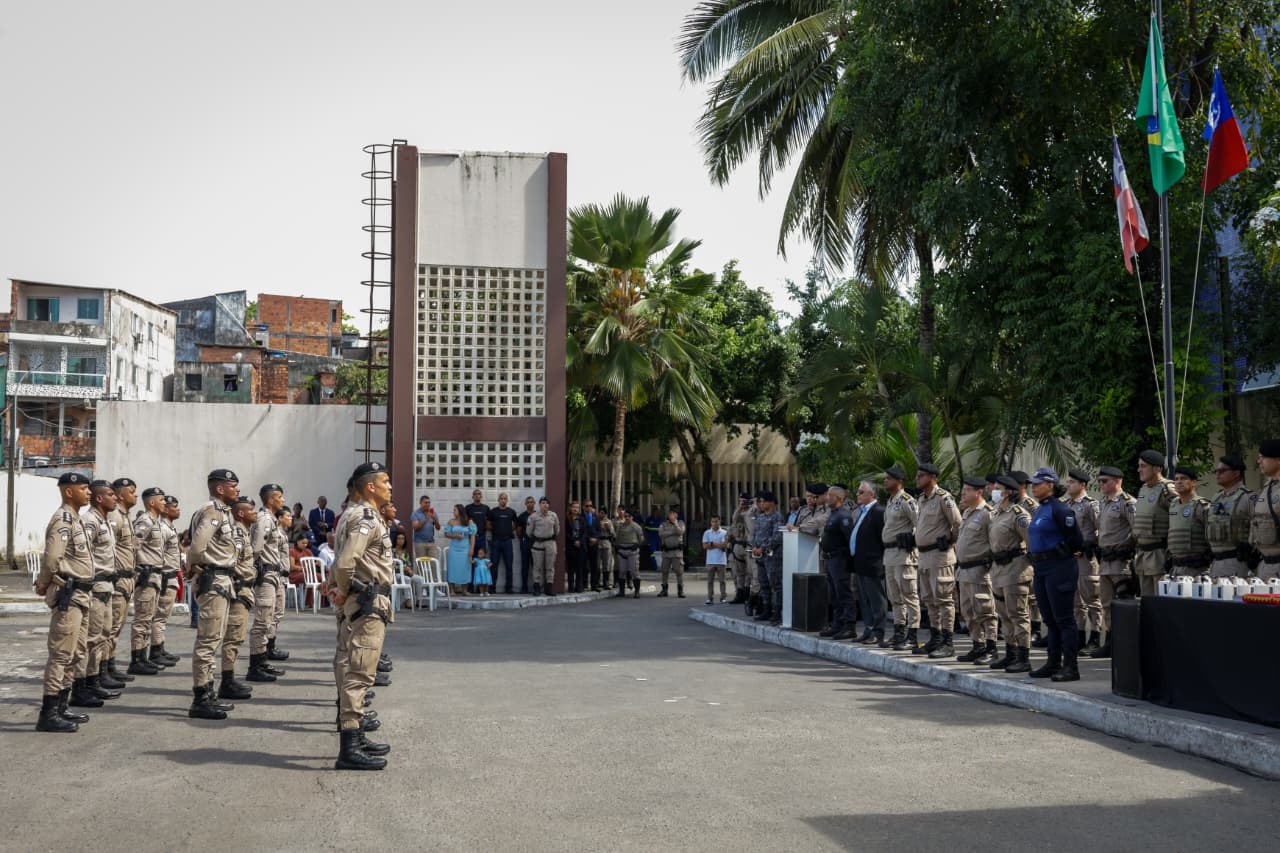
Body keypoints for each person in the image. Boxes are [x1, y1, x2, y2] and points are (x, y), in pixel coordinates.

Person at [329, 461, 395, 771]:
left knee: (348, 666)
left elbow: (339, 562)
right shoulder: (366, 518)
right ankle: (350, 747)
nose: (390, 487)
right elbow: (344, 563)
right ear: (370, 486)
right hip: (366, 602)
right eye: (385, 481)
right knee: (359, 673)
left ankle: (354, 736)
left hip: (357, 602)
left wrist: (339, 591)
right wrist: (344, 590)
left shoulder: (351, 516)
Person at [32, 472, 94, 733]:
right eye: (83, 488)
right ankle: (48, 713)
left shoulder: (77, 519)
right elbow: (52, 558)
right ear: (69, 492)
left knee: (74, 653)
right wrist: (44, 583)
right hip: (69, 595)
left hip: (81, 595)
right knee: (61, 654)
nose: (88, 492)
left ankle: (61, 706)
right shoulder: (63, 520)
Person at [186, 469, 242, 720]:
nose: (237, 490)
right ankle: (200, 697)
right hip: (214, 579)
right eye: (233, 486)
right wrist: (198, 566)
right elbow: (197, 547)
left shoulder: (222, 513)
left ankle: (209, 692)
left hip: (222, 579)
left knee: (214, 638)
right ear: (220, 488)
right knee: (208, 641)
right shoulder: (213, 512)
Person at [1026, 468, 1085, 682]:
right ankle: (1053, 663)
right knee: (1049, 619)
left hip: (1059, 568)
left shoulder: (1060, 510)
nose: (1033, 486)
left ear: (1050, 485)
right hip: (1041, 568)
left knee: (1064, 619)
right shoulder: (1040, 509)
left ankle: (1071, 667)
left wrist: (1062, 552)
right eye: (1032, 483)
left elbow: (1076, 540)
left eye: (1037, 483)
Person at [79, 481, 121, 704]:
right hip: (95, 587)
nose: (115, 498)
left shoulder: (104, 521)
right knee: (90, 639)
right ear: (99, 498)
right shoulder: (89, 521)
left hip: (107, 587)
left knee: (102, 635)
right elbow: (83, 554)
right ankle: (81, 684)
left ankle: (93, 680)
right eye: (110, 495)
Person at [914, 463, 961, 658]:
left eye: (921, 475)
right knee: (929, 600)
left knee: (943, 599)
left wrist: (951, 540)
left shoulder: (944, 498)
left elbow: (957, 522)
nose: (917, 478)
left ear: (932, 477)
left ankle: (948, 642)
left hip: (940, 556)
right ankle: (935, 637)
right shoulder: (922, 499)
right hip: (924, 556)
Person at [1089, 466, 1137, 659]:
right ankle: (1110, 641)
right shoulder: (1104, 503)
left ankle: (1126, 642)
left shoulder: (1128, 502)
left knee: (1123, 603)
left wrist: (1126, 546)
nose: (1101, 484)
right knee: (1107, 604)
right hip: (1105, 561)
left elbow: (1136, 529)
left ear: (1118, 481)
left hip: (1120, 561)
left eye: (1105, 481)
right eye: (1100, 481)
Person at [988, 474, 1033, 672]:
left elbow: (1032, 542)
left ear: (1008, 492)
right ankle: (1010, 653)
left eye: (997, 488)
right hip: (998, 570)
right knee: (1004, 615)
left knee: (1017, 614)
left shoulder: (1019, 514)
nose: (993, 491)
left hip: (1015, 569)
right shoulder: (996, 513)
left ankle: (1024, 657)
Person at [954, 476, 998, 665]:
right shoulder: (967, 513)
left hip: (980, 569)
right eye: (963, 490)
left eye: (967, 490)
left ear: (979, 492)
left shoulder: (988, 513)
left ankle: (991, 647)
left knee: (986, 610)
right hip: (964, 571)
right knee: (968, 610)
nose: (963, 493)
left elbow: (994, 542)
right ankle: (977, 645)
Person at [218, 497, 258, 701]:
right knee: (233, 636)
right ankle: (226, 681)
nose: (255, 513)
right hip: (239, 590)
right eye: (251, 510)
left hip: (244, 590)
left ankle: (229, 678)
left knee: (237, 636)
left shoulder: (244, 531)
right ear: (241, 513)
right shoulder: (238, 533)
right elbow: (231, 561)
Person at [248, 484, 289, 683]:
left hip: (272, 575)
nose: (283, 501)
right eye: (280, 497)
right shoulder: (265, 519)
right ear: (271, 500)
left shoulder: (271, 520)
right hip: (265, 575)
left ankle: (262, 661)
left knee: (269, 619)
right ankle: (255, 666)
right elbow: (256, 548)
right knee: (262, 621)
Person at [102, 478, 138, 690]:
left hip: (127, 578)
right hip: (116, 579)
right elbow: (109, 549)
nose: (135, 495)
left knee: (116, 627)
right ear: (121, 494)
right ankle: (102, 669)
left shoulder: (126, 515)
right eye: (132, 492)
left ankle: (110, 665)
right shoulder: (115, 516)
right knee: (110, 627)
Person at [880, 466, 921, 652]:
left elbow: (919, 523)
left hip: (904, 554)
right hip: (889, 554)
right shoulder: (890, 501)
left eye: (888, 478)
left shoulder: (907, 500)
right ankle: (899, 632)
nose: (885, 481)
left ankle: (912, 635)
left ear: (899, 481)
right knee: (894, 597)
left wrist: (913, 539)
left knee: (909, 595)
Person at [128, 487, 167, 677]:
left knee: (149, 617)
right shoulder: (145, 521)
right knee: (142, 619)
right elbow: (133, 546)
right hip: (147, 575)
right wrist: (136, 570)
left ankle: (143, 657)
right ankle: (136, 659)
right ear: (152, 502)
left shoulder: (155, 522)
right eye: (162, 500)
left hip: (155, 575)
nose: (165, 503)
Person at [1064, 470, 1103, 654]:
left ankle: (1094, 638)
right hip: (1070, 559)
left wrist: (1089, 545)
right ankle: (1080, 637)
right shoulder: (1066, 506)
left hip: (1086, 559)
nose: (1068, 485)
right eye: (1068, 482)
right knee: (1076, 601)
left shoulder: (1090, 505)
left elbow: (1100, 528)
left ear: (1082, 485)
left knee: (1092, 599)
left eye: (1072, 482)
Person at [1133, 450, 1177, 597]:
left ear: (1157, 468)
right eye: (1139, 466)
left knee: (1161, 602)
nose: (1139, 469)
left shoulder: (1167, 488)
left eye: (1143, 466)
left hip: (1160, 555)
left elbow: (1180, 518)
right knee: (1146, 604)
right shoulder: (1144, 489)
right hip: (1143, 555)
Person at [848, 481, 887, 644]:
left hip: (873, 563)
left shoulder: (878, 512)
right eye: (858, 492)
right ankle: (868, 629)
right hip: (860, 563)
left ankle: (878, 631)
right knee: (864, 599)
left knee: (876, 599)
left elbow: (882, 539)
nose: (858, 494)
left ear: (872, 494)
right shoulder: (861, 511)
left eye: (861, 492)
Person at [818, 485, 856, 639]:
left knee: (843, 593)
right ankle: (837, 624)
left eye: (830, 495)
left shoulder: (843, 516)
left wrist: (848, 559)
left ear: (838, 498)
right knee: (833, 594)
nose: (827, 498)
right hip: (829, 559)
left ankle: (849, 625)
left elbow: (850, 539)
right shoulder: (832, 514)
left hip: (839, 559)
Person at [1207, 455, 1253, 578]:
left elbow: (1257, 526)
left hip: (1236, 562)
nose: (1217, 474)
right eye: (1216, 471)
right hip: (1216, 563)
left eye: (1222, 471)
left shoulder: (1247, 497)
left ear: (1236, 473)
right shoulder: (1216, 498)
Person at [1167, 465, 1212, 577]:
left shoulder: (1202, 506)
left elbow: (1212, 538)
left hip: (1196, 569)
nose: (1179, 482)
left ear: (1193, 482)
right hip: (1176, 568)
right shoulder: (1173, 505)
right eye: (1176, 479)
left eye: (1183, 478)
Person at [153, 496, 183, 662]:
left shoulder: (170, 527)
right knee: (159, 616)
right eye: (174, 506)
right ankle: (155, 651)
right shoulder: (163, 528)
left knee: (163, 617)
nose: (178, 510)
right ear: (165, 509)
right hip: (165, 575)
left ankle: (160, 647)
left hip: (171, 575)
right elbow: (159, 554)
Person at [750, 491, 784, 625]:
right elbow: (755, 534)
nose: (761, 504)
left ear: (771, 502)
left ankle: (777, 612)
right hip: (760, 556)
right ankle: (766, 610)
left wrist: (763, 548)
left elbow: (777, 536)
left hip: (772, 556)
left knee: (775, 584)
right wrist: (754, 546)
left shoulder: (777, 517)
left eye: (763, 501)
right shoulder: (761, 517)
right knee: (763, 584)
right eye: (760, 501)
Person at [1249, 440, 1280, 574]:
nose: (1259, 461)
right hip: (1266, 565)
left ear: (1278, 460)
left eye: (1262, 457)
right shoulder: (1268, 488)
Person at [527, 497, 561, 595]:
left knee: (550, 566)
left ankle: (549, 588)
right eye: (542, 503)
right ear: (539, 504)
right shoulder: (533, 516)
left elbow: (557, 529)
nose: (545, 505)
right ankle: (537, 587)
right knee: (537, 566)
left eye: (546, 503)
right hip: (538, 543)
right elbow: (529, 531)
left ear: (549, 505)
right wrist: (536, 538)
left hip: (550, 543)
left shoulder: (553, 515)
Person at [488, 493, 520, 594]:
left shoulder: (511, 512)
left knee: (509, 566)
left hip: (507, 541)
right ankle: (492, 588)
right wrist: (495, 530)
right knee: (494, 566)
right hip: (496, 541)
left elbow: (516, 524)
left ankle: (508, 588)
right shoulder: (493, 511)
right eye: (501, 498)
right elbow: (487, 524)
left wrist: (509, 530)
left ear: (507, 500)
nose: (503, 500)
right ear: (498, 500)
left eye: (505, 498)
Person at [443, 505, 477, 595]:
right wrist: (455, 536)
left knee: (465, 568)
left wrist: (472, 549)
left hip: (465, 548)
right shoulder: (451, 521)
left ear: (460, 511)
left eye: (455, 510)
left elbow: (472, 536)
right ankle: (452, 590)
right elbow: (446, 534)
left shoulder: (469, 521)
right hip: (454, 548)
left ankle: (464, 590)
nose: (453, 512)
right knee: (452, 568)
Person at [613, 507, 644, 598]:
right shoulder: (620, 526)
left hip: (632, 551)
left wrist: (637, 545)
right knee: (621, 571)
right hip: (622, 551)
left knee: (634, 572)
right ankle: (621, 591)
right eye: (625, 516)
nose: (627, 518)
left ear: (632, 517)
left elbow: (641, 538)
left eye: (629, 516)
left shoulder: (636, 526)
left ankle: (636, 592)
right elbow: (617, 537)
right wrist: (617, 546)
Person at [728, 493, 753, 604]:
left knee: (749, 572)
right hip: (738, 544)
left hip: (747, 544)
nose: (742, 503)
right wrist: (739, 507)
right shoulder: (737, 513)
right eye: (740, 501)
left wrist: (750, 506)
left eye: (744, 501)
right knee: (738, 572)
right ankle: (739, 593)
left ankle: (747, 593)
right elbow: (734, 521)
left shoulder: (751, 513)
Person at [657, 507, 687, 598]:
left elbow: (680, 532)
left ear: (676, 515)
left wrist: (675, 524)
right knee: (664, 571)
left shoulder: (680, 523)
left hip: (676, 552)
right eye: (670, 513)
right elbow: (661, 534)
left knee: (679, 572)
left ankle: (680, 590)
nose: (671, 515)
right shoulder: (663, 524)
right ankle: (664, 590)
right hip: (666, 552)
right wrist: (672, 532)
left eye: (673, 513)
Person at [702, 514, 729, 605]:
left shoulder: (724, 532)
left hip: (721, 561)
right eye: (713, 521)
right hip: (710, 561)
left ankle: (723, 597)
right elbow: (705, 546)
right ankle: (710, 598)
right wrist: (717, 544)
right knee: (710, 581)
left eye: (716, 521)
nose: (714, 523)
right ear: (711, 522)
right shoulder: (707, 533)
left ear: (719, 521)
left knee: (722, 581)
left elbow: (725, 545)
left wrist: (712, 544)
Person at [409, 495, 441, 567]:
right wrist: (426, 519)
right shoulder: (415, 513)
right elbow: (415, 527)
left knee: (434, 564)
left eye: (429, 502)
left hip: (431, 542)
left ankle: (434, 578)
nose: (428, 504)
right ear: (420, 503)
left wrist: (435, 519)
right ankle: (421, 578)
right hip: (420, 543)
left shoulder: (433, 513)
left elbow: (438, 528)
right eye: (425, 502)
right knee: (421, 565)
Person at [516, 496, 537, 594]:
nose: (530, 504)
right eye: (528, 502)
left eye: (532, 502)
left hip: (536, 543)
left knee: (536, 566)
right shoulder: (522, 516)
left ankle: (536, 587)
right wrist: (524, 538)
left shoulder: (538, 515)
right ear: (525, 504)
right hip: (525, 543)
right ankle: (524, 587)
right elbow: (518, 531)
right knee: (525, 566)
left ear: (534, 503)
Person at [566, 501, 587, 594]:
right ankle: (570, 586)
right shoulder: (567, 519)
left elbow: (585, 532)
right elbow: (565, 533)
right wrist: (574, 541)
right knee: (571, 568)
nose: (575, 509)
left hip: (580, 546)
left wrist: (580, 541)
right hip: (571, 545)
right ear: (570, 508)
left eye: (577, 507)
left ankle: (579, 587)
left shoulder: (582, 519)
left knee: (579, 567)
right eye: (574, 507)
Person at [465, 489, 491, 558]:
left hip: (482, 537)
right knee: (471, 558)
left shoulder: (486, 508)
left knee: (481, 559)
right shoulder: (468, 508)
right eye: (475, 494)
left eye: (479, 494)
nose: (477, 495)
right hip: (471, 537)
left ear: (481, 496)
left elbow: (489, 522)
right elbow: (464, 522)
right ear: (472, 497)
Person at [597, 508, 616, 591]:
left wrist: (608, 528)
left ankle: (606, 582)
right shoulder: (596, 520)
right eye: (600, 513)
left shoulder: (609, 521)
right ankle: (597, 582)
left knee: (607, 564)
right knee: (597, 564)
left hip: (606, 542)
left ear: (605, 514)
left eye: (602, 513)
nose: (601, 514)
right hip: (598, 542)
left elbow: (613, 534)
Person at [643, 506, 663, 571]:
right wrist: (649, 532)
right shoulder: (649, 519)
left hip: (659, 538)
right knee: (653, 553)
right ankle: (655, 566)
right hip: (652, 538)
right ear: (654, 511)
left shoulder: (660, 519)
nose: (658, 512)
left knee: (659, 552)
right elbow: (645, 527)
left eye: (659, 511)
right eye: (657, 511)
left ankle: (659, 565)